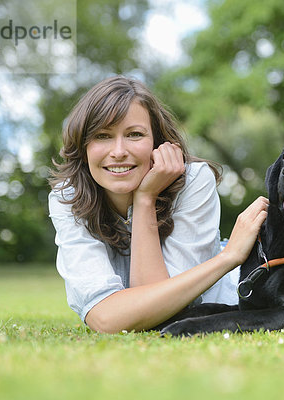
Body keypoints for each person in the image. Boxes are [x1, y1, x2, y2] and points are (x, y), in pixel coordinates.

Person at [48, 76, 268, 333]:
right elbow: (105, 318)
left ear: (158, 143)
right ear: (83, 146)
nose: (118, 151)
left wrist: (144, 200)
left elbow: (167, 312)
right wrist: (227, 257)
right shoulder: (68, 197)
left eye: (134, 134)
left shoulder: (194, 181)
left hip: (219, 309)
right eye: (102, 136)